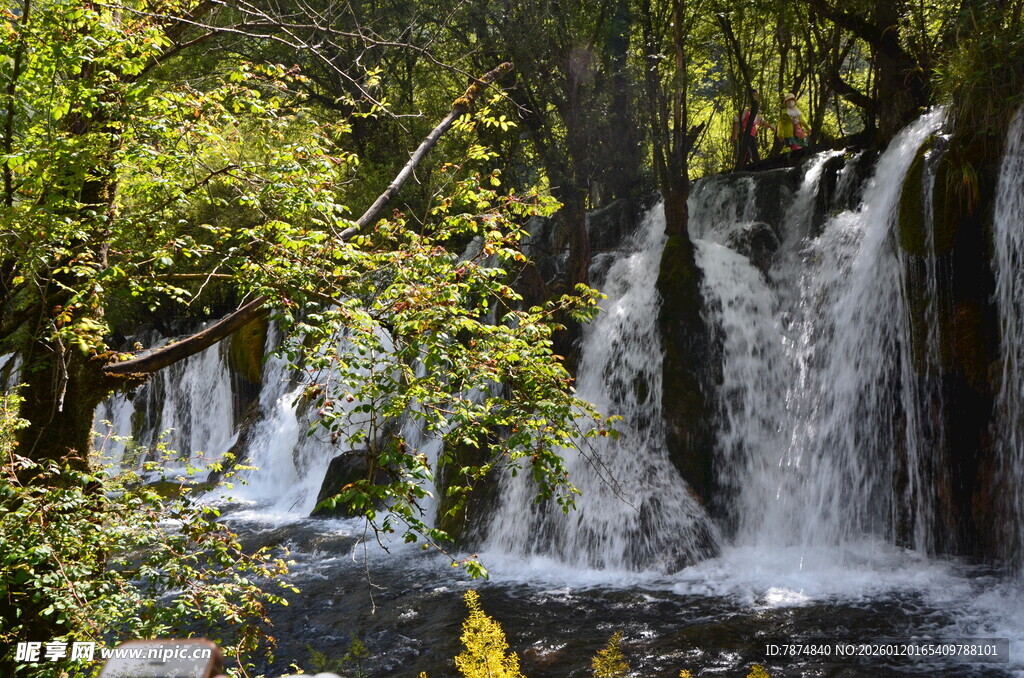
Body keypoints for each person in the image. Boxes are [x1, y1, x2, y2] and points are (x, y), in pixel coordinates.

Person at [731, 89, 774, 167]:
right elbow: (736, 121)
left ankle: (743, 168)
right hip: (745, 135)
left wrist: (771, 127)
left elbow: (762, 123)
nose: (755, 97)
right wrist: (734, 136)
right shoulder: (745, 111)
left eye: (756, 95)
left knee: (746, 154)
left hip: (752, 136)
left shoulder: (756, 113)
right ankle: (756, 166)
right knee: (752, 153)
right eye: (753, 95)